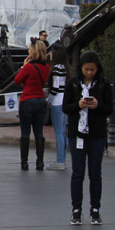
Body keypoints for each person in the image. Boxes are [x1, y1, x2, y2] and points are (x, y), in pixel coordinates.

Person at [62, 50, 113, 225]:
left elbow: (109, 109)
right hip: (77, 133)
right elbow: (65, 108)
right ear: (80, 69)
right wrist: (78, 104)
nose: (89, 73)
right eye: (86, 69)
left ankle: (95, 209)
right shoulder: (73, 84)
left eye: (92, 69)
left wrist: (97, 105)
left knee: (95, 173)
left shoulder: (104, 84)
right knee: (77, 172)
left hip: (97, 134)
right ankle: (76, 209)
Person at [15, 40, 50, 171]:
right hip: (40, 100)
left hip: (27, 99)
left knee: (25, 133)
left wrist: (24, 66)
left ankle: (24, 162)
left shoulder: (29, 67)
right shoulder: (46, 67)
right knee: (39, 132)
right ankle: (40, 162)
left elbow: (17, 80)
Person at [46, 46, 69, 172]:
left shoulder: (55, 69)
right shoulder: (65, 68)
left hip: (57, 102)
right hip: (64, 101)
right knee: (63, 132)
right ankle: (62, 159)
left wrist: (48, 100)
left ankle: (60, 161)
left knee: (59, 132)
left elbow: (55, 88)